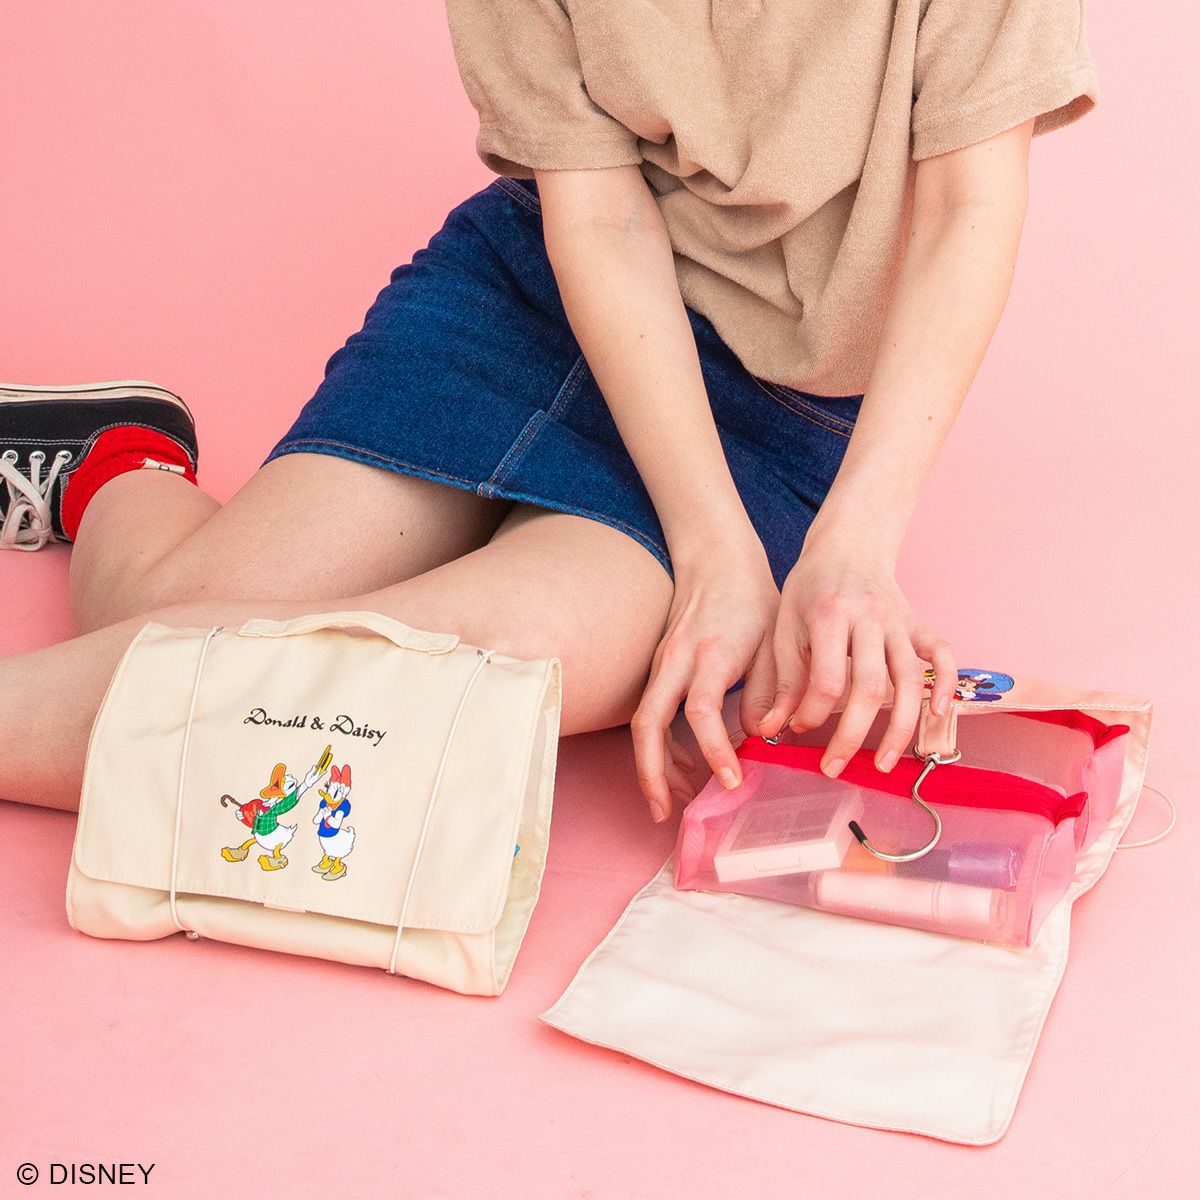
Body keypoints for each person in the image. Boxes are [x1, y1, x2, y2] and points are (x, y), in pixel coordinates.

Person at [0, 1, 1098, 819]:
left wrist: (849, 549)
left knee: (428, 677)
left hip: (771, 407)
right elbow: (601, 219)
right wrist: (716, 556)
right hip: (538, 296)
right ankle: (121, 459)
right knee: (164, 609)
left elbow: (965, 209)